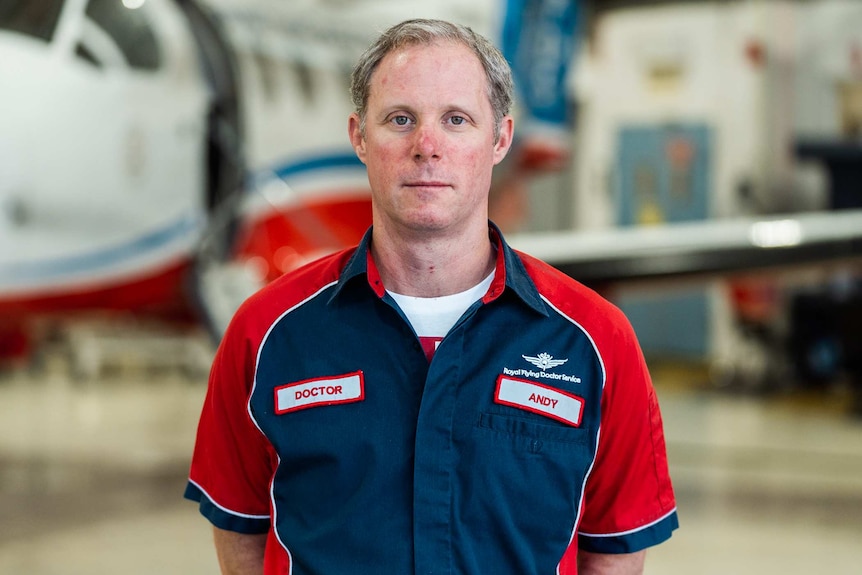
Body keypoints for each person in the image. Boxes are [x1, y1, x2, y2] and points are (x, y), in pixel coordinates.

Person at [185, 18, 678, 575]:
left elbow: (614, 548)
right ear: (359, 138)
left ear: (500, 139)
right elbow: (240, 527)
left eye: (456, 120)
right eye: (400, 119)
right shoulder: (265, 334)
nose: (427, 147)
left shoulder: (597, 344)